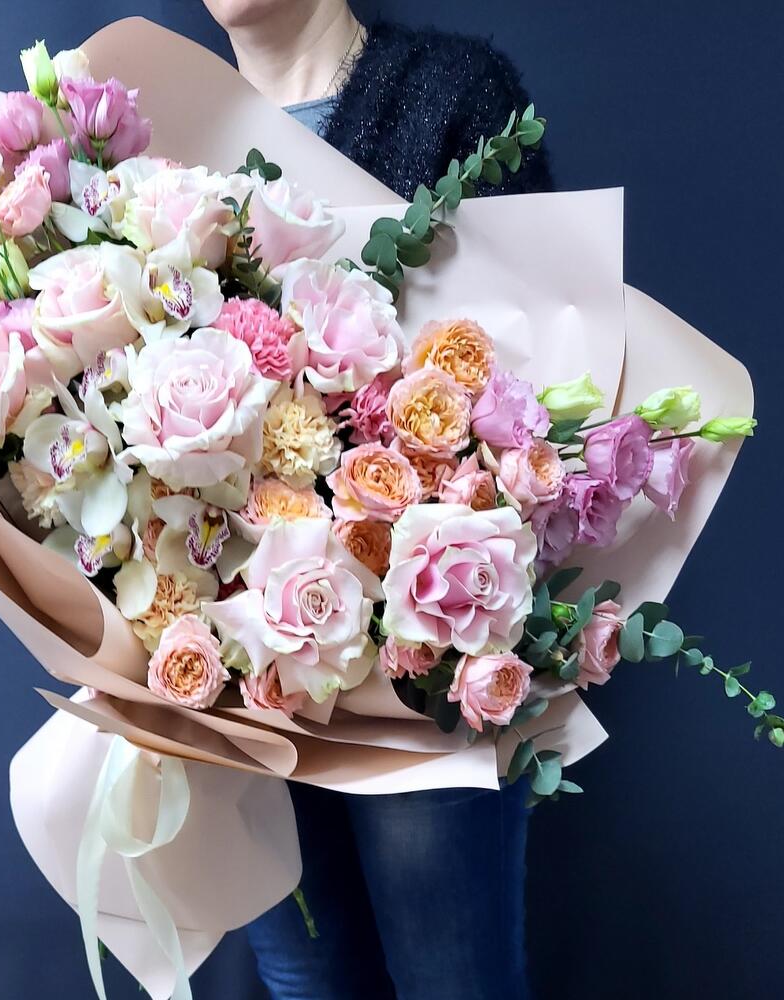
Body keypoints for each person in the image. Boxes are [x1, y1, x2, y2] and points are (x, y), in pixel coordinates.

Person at [200, 3, 552, 998]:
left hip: (415, 666)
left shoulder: (456, 96)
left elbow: (527, 402)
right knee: (305, 979)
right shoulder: (166, 136)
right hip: (236, 673)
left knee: (454, 981)